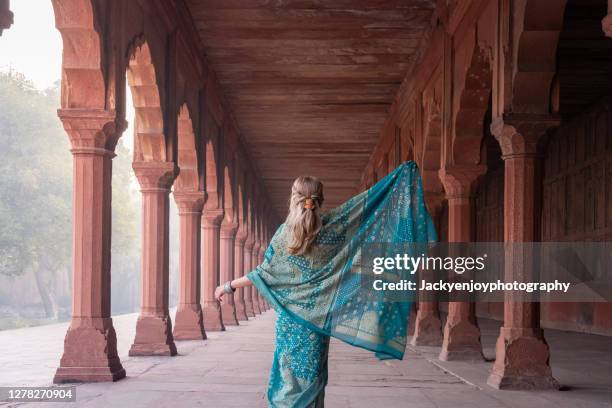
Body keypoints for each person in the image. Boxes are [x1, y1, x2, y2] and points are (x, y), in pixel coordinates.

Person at [215, 161, 437, 408]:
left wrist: (229, 286)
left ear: (294, 198)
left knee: (289, 381)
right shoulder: (335, 227)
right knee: (314, 381)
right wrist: (399, 177)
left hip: (290, 321)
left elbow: (264, 273)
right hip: (317, 324)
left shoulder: (283, 235)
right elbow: (366, 204)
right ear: (320, 199)